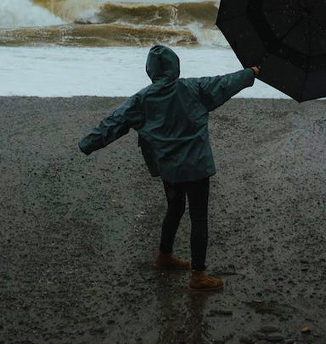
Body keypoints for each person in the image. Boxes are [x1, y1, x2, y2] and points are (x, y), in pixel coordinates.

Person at [77, 45, 259, 291]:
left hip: (170, 169)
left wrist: (88, 143)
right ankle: (198, 276)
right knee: (198, 216)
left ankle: (165, 255)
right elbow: (226, 83)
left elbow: (113, 122)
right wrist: (251, 73)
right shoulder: (194, 88)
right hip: (196, 167)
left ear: (150, 71)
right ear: (176, 66)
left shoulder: (142, 99)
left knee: (175, 207)